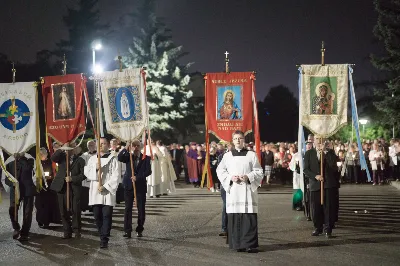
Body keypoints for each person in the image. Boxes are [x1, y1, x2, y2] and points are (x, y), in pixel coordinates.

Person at [216, 130, 263, 253]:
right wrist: (231, 178)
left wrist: (248, 177)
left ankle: (250, 245)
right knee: (235, 217)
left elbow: (259, 171)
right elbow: (220, 171)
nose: (238, 140)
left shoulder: (251, 155)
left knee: (248, 217)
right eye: (236, 138)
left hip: (247, 190)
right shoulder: (227, 156)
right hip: (234, 191)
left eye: (240, 138)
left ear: (244, 140)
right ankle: (237, 244)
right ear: (233, 140)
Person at [85, 138, 120, 248]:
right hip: (95, 191)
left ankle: (104, 238)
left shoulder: (113, 159)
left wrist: (105, 186)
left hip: (107, 191)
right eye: (99, 144)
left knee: (107, 215)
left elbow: (116, 175)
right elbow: (87, 173)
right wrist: (95, 168)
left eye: (104, 143)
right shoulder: (92, 159)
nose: (101, 145)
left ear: (108, 145)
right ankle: (102, 234)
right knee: (97, 216)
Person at [304, 135, 339, 238]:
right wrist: (316, 176)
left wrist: (325, 153)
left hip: (328, 184)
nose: (319, 142)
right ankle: (317, 227)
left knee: (328, 207)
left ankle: (328, 229)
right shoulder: (309, 153)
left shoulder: (330, 153)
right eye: (317, 139)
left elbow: (333, 166)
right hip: (315, 184)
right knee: (315, 208)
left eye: (321, 140)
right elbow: (306, 169)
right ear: (314, 141)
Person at [50, 141, 86, 239]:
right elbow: (53, 158)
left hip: (74, 187)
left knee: (75, 209)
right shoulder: (61, 158)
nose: (71, 149)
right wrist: (62, 148)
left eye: (73, 147)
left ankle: (77, 230)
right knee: (63, 210)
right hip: (61, 187)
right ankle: (67, 231)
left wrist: (72, 178)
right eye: (69, 147)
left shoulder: (80, 160)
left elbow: (83, 175)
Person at [118, 140, 151, 238]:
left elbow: (148, 171)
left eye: (137, 146)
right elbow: (119, 157)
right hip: (128, 186)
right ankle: (127, 230)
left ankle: (140, 228)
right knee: (128, 209)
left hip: (140, 186)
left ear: (140, 147)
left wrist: (138, 177)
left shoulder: (146, 158)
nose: (136, 147)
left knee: (141, 209)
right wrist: (126, 147)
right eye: (134, 146)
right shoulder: (128, 157)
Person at [5, 153, 36, 241]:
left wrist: (21, 158)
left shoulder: (29, 161)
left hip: (27, 189)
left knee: (27, 212)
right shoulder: (10, 163)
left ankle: (25, 232)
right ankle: (16, 228)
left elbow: (28, 169)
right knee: (12, 209)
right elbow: (7, 179)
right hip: (15, 190)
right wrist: (13, 183)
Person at [35, 148, 61, 228]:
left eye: (43, 154)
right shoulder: (37, 163)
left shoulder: (51, 162)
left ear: (46, 154)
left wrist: (51, 176)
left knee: (49, 204)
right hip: (40, 186)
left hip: (50, 186)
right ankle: (40, 220)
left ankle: (49, 219)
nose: (42, 156)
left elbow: (56, 172)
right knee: (40, 205)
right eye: (40, 154)